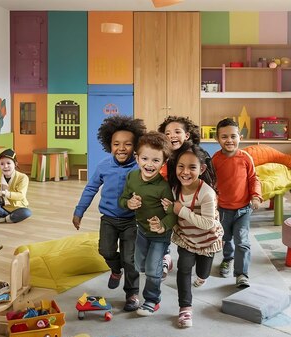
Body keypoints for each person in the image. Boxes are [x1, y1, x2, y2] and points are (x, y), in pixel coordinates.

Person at [72, 115, 147, 312]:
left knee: (130, 259)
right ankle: (115, 269)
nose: (121, 148)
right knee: (105, 250)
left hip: (132, 220)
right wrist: (79, 211)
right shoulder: (104, 165)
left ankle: (132, 293)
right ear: (109, 145)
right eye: (116, 144)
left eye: (128, 144)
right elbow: (91, 189)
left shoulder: (140, 167)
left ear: (136, 146)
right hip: (109, 219)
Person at [162, 142, 222, 328]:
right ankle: (185, 308)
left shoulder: (207, 193)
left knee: (203, 271)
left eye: (192, 167)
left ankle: (203, 276)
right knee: (184, 269)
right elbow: (170, 210)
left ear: (202, 169)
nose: (185, 172)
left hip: (207, 240)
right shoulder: (174, 189)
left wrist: (180, 210)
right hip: (186, 239)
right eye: (181, 166)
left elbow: (208, 224)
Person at [119, 131, 177, 316]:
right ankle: (165, 262)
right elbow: (123, 199)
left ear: (163, 163)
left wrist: (162, 225)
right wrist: (128, 203)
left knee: (152, 270)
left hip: (160, 234)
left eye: (155, 161)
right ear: (137, 158)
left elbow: (172, 214)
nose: (149, 165)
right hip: (142, 231)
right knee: (139, 266)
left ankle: (152, 300)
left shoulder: (163, 186)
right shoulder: (132, 177)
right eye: (145, 158)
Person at [212, 118, 262, 288]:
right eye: (224, 137)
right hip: (222, 209)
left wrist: (256, 196)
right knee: (225, 238)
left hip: (243, 209)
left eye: (233, 136)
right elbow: (211, 182)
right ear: (217, 139)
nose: (229, 140)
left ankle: (241, 274)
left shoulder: (246, 158)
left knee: (242, 241)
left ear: (240, 137)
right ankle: (227, 259)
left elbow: (254, 179)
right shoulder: (215, 160)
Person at [157, 116, 202, 279]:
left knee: (188, 236)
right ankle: (165, 257)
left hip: (189, 203)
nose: (172, 136)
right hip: (167, 202)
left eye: (177, 132)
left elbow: (206, 182)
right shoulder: (164, 154)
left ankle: (194, 259)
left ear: (187, 135)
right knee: (164, 232)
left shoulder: (196, 154)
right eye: (167, 133)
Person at [0, 148, 32, 224]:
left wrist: (3, 193)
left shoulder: (23, 178)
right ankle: (6, 216)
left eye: (8, 163)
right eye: (2, 164)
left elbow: (20, 196)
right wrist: (1, 193)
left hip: (17, 208)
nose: (5, 166)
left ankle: (0, 218)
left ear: (15, 164)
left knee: (27, 212)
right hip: (0, 207)